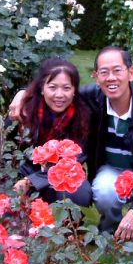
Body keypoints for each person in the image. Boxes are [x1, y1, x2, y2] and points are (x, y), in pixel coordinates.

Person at [9, 47, 133, 240]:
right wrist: (22, 93)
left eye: (117, 70)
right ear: (96, 77)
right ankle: (109, 231)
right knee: (104, 190)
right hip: (112, 173)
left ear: (131, 73)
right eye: (104, 73)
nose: (111, 78)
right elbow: (58, 87)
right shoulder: (93, 98)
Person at [12, 58, 93, 206]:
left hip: (60, 175)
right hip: (22, 174)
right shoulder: (22, 112)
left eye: (67, 88)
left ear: (75, 90)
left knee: (80, 193)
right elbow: (6, 153)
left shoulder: (83, 118)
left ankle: (66, 219)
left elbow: (75, 160)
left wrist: (31, 181)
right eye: (53, 87)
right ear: (42, 88)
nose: (59, 94)